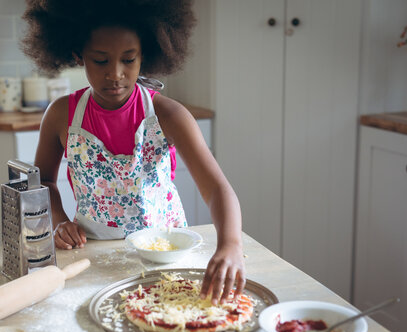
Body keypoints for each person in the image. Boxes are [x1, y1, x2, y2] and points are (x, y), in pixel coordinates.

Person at [21, 0, 245, 305]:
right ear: (78, 55)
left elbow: (217, 189)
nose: (115, 74)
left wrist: (230, 244)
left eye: (129, 59)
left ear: (146, 55)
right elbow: (44, 181)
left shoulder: (169, 115)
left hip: (165, 254)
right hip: (90, 251)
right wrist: (60, 221)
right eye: (100, 61)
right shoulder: (62, 115)